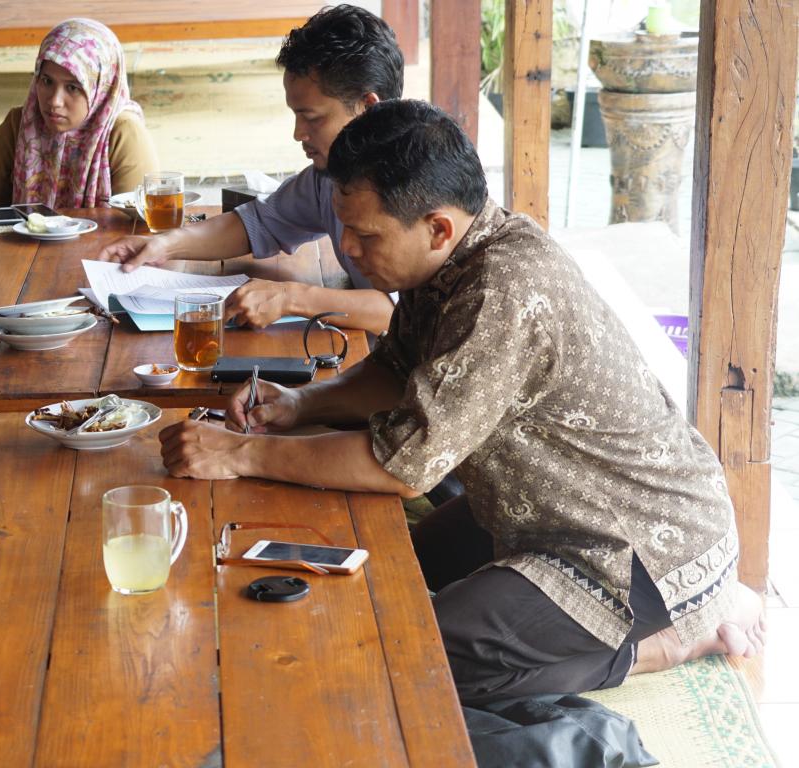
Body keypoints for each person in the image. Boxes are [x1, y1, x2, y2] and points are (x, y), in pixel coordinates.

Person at [158, 100, 765, 704]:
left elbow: (400, 467)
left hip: (636, 547)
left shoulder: (502, 290)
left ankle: (661, 646)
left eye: (365, 235)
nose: (349, 248)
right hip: (545, 501)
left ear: (438, 228)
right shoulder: (454, 257)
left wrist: (239, 454)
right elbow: (394, 374)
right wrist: (299, 405)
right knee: (391, 572)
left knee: (405, 652)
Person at [97, 5, 402, 335]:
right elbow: (260, 222)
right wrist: (166, 244)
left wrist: (291, 297)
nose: (298, 133)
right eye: (296, 116)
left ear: (367, 108)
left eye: (312, 118)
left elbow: (398, 313)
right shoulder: (328, 177)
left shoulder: (411, 184)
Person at [0, 17, 157, 210]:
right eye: (47, 81)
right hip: (24, 232)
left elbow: (138, 223)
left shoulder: (124, 134)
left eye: (73, 87)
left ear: (100, 88)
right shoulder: (19, 125)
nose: (54, 101)